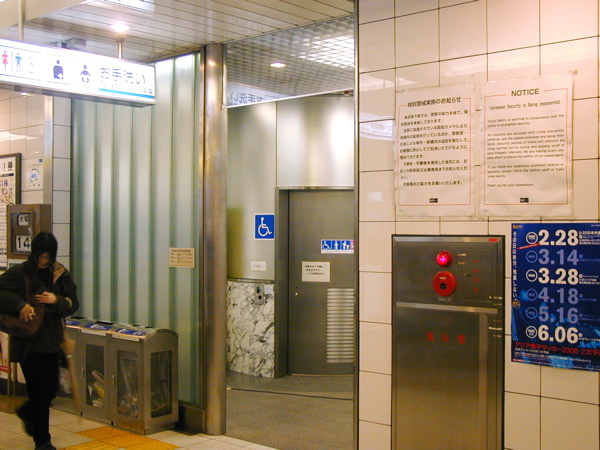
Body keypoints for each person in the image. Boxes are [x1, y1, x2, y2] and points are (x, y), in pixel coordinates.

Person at [0, 232, 78, 450]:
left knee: (51, 389)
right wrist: (20, 305)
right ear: (33, 254)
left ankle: (26, 412)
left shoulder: (60, 274)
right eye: (40, 256)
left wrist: (56, 300)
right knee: (39, 392)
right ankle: (43, 441)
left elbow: (73, 304)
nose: (43, 261)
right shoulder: (21, 273)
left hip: (53, 342)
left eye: (47, 257)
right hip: (29, 344)